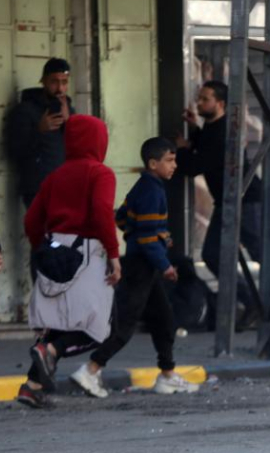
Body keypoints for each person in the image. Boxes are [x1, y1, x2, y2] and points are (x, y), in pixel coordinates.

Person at [176, 81, 270, 331]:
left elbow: (195, 166)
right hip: (228, 201)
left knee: (263, 254)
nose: (199, 103)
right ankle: (251, 301)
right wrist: (194, 131)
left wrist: (182, 150)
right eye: (200, 98)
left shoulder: (223, 133)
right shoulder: (213, 127)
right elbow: (206, 147)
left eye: (205, 99)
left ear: (219, 104)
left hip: (246, 200)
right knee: (212, 254)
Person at [71, 137, 200, 398]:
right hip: (142, 267)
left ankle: (167, 375)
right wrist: (165, 264)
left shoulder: (144, 186)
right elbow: (148, 237)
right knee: (125, 324)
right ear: (153, 163)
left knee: (164, 319)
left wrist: (152, 237)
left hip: (145, 266)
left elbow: (123, 218)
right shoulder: (152, 191)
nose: (174, 165)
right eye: (169, 160)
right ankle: (91, 369)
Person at [17, 115, 121, 409]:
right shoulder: (101, 173)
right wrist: (114, 255)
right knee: (98, 328)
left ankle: (32, 386)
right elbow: (102, 215)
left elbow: (31, 219)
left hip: (54, 250)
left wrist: (44, 247)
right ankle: (50, 352)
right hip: (88, 253)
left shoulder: (54, 176)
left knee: (54, 323)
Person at [6, 58, 74, 207]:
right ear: (43, 81)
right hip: (37, 187)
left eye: (64, 82)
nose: (60, 88)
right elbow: (15, 151)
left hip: (64, 184)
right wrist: (39, 131)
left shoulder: (68, 110)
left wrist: (69, 123)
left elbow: (80, 148)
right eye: (54, 82)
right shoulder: (25, 110)